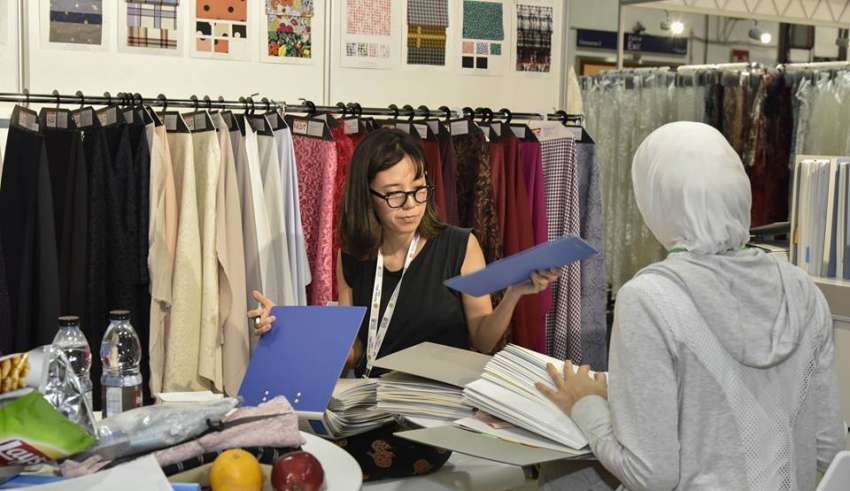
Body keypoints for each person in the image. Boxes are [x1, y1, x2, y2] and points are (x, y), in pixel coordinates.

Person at [536, 122, 847, 490]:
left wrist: (584, 404)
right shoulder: (801, 289)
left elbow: (651, 474)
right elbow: (830, 447)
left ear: (656, 200)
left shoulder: (649, 298)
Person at [251, 127, 559, 481]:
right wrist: (287, 332)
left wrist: (514, 294)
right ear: (367, 195)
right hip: (368, 407)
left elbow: (483, 339)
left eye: (419, 189)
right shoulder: (352, 256)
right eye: (395, 195)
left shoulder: (459, 247)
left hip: (430, 417)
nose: (411, 205)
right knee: (272, 445)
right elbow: (352, 352)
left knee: (318, 466)